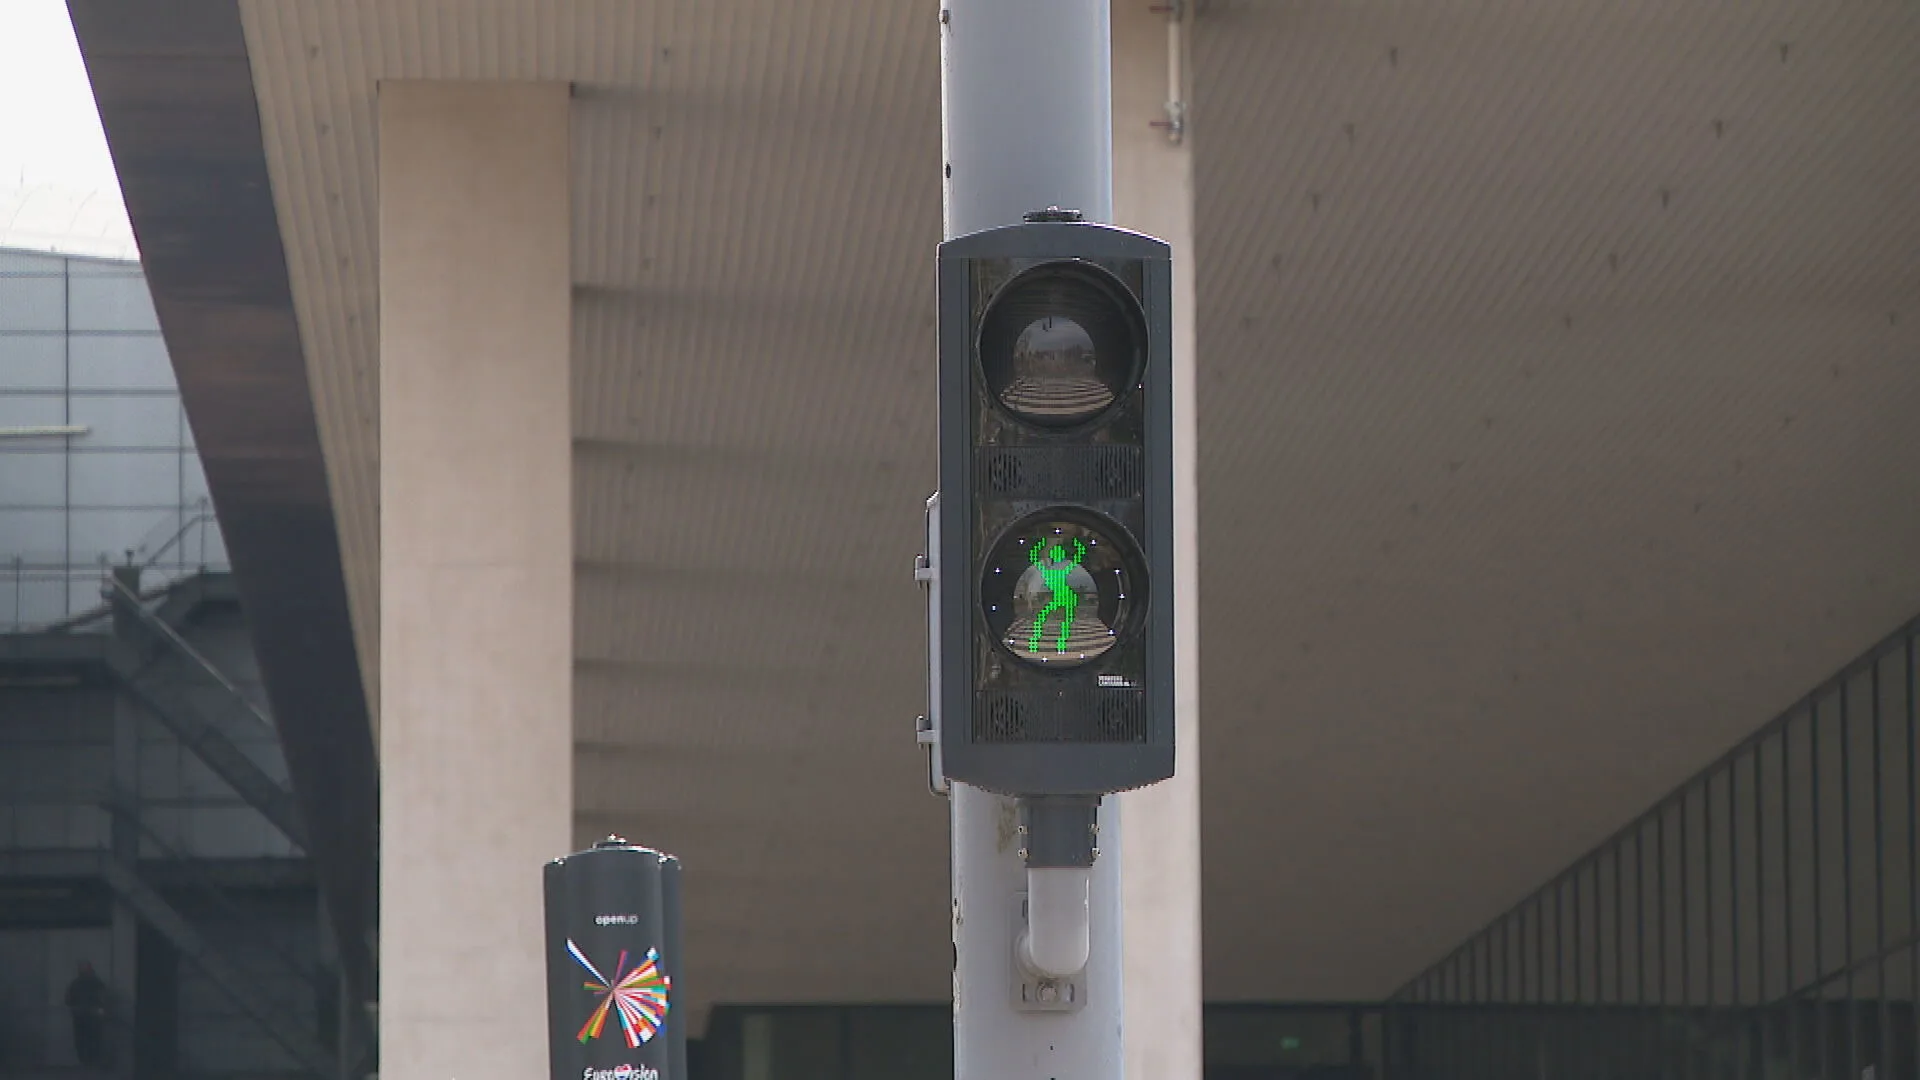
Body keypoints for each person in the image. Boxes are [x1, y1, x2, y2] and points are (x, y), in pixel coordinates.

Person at [64, 961, 109, 1068]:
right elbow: (69, 999)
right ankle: (88, 1061)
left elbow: (103, 997)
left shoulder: (94, 983)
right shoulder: (80, 983)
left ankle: (90, 1061)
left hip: (88, 1016)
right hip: (84, 1016)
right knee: (85, 1039)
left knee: (91, 1039)